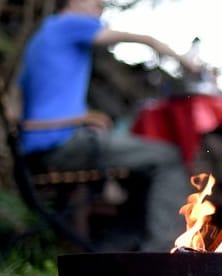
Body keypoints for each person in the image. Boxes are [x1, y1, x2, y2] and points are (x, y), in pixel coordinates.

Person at [16, 0, 199, 251]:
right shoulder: (68, 24)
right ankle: (162, 254)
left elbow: (31, 105)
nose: (100, 5)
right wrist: (180, 57)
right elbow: (133, 37)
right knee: (167, 157)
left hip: (44, 142)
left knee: (143, 164)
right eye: (94, 0)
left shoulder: (45, 33)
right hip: (59, 146)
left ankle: (119, 247)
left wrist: (83, 119)